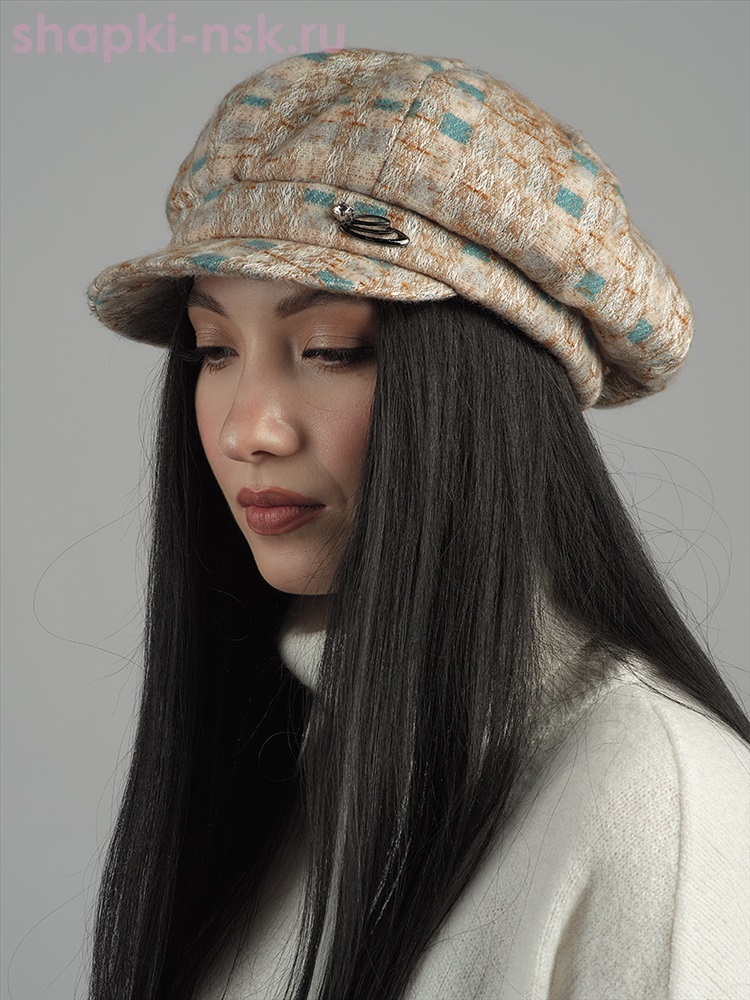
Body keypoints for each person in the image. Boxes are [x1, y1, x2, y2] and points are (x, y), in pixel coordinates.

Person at [85, 48, 750, 1000]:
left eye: (330, 349)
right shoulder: (300, 772)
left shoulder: (662, 804)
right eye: (214, 350)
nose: (245, 430)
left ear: (487, 393)